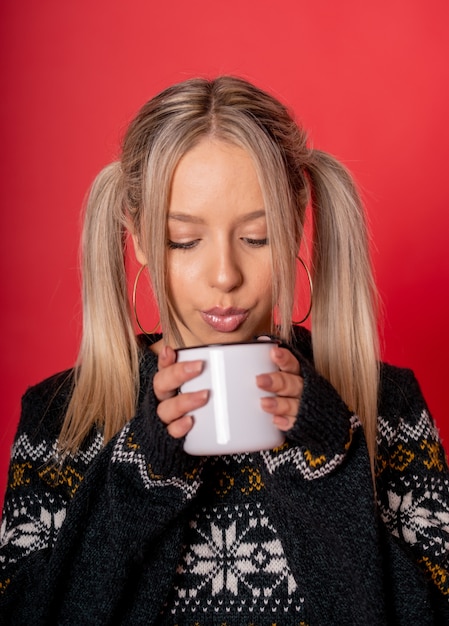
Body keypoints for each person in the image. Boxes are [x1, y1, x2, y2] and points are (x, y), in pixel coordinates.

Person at [0, 76, 448, 625]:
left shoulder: (390, 409)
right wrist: (142, 477)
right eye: (183, 240)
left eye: (257, 237)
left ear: (294, 225)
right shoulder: (60, 421)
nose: (224, 275)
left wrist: (327, 458)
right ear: (137, 235)